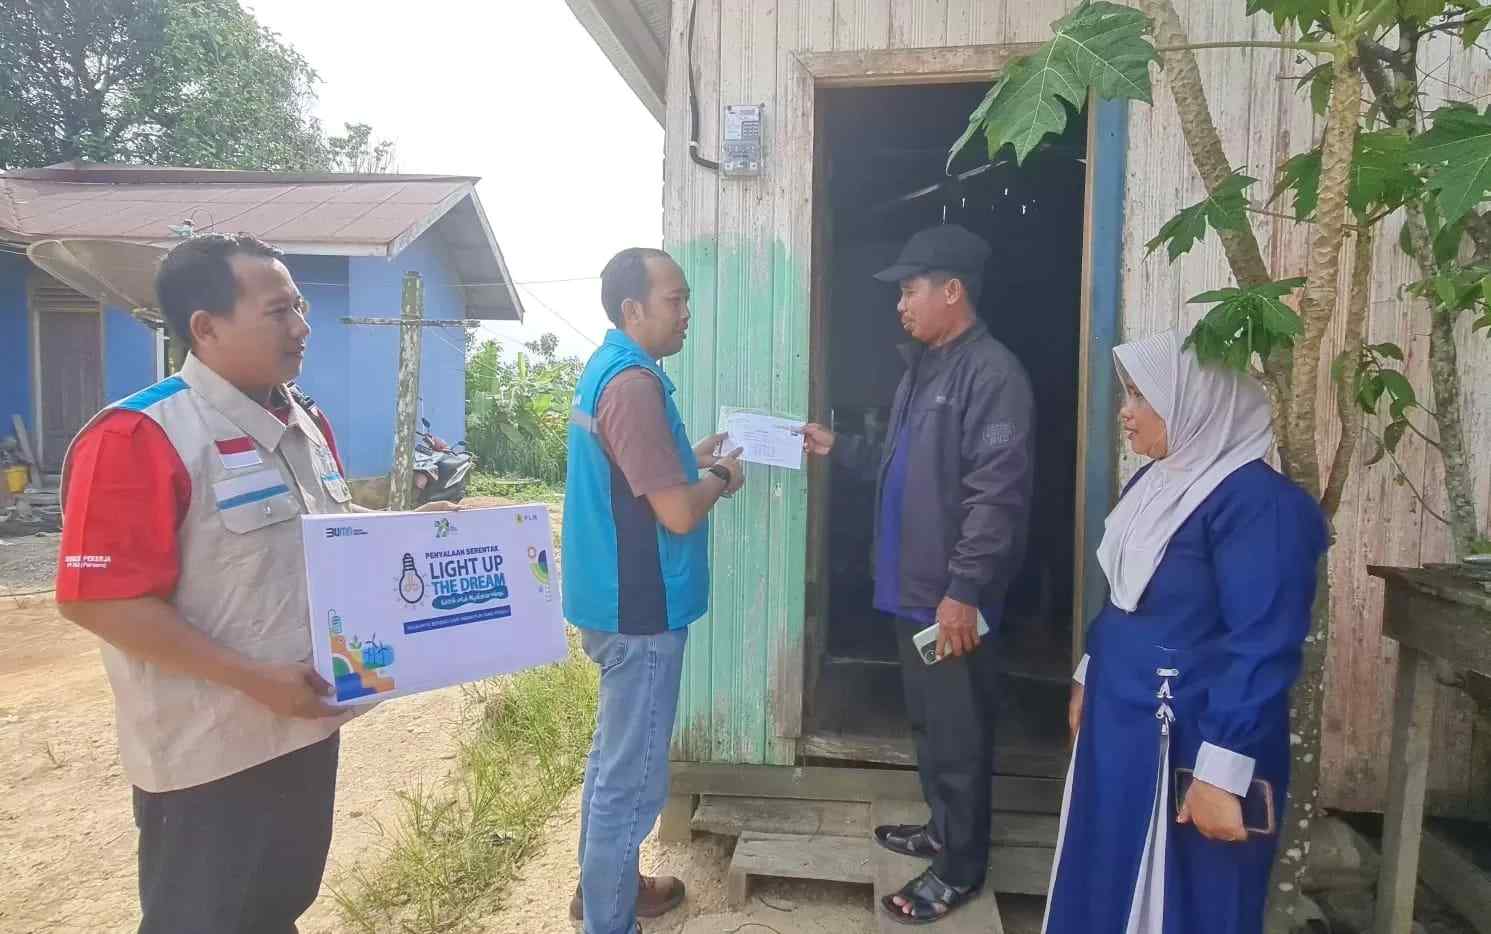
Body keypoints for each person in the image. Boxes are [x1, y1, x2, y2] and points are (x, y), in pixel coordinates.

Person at [54, 233, 442, 933]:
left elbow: (331, 532)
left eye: (300, 307)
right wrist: (251, 678)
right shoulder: (140, 436)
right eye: (278, 312)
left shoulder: (306, 421)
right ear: (206, 328)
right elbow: (100, 601)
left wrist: (421, 531)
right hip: (210, 758)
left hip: (305, 727)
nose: (301, 327)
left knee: (276, 908)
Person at [1042, 330, 1329, 934]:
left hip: (1190, 735)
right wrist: (1090, 673)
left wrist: (1219, 773)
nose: (1125, 411)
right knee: (1108, 868)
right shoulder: (1154, 483)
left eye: (1141, 396)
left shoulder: (1260, 505)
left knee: (1185, 893)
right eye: (1127, 394)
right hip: (1122, 721)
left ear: (1197, 402)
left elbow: (1262, 645)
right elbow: (1126, 596)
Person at [799, 224, 1036, 924]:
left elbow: (997, 495)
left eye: (910, 290)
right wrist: (841, 447)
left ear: (952, 290)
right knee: (930, 721)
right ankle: (942, 829)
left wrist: (964, 590)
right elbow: (901, 465)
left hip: (950, 599)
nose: (900, 304)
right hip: (914, 592)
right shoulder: (923, 369)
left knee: (958, 729)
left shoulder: (992, 374)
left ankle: (960, 868)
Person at [563, 247, 745, 934]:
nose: (687, 312)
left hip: (612, 597)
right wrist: (720, 479)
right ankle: (609, 921)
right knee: (631, 782)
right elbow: (676, 513)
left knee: (612, 762)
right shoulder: (634, 385)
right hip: (638, 608)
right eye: (676, 300)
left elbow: (635, 475)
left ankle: (604, 893)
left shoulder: (610, 367)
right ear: (633, 309)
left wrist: (689, 459)